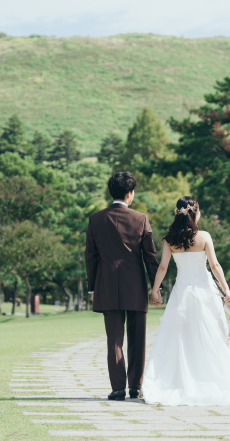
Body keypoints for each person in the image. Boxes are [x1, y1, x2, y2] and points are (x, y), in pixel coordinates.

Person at [141, 196, 230, 406]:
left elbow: (163, 267)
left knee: (180, 336)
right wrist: (227, 291)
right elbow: (215, 265)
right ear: (196, 213)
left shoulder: (170, 240)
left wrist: (155, 290)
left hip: (181, 292)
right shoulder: (203, 236)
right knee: (213, 335)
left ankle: (181, 379)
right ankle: (211, 378)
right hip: (206, 293)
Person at [85, 172, 159, 401]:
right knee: (137, 338)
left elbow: (90, 257)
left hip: (107, 286)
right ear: (129, 194)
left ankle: (118, 389)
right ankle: (135, 387)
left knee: (114, 340)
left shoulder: (95, 219)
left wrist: (92, 288)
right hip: (135, 286)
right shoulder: (141, 219)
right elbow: (150, 256)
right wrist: (156, 287)